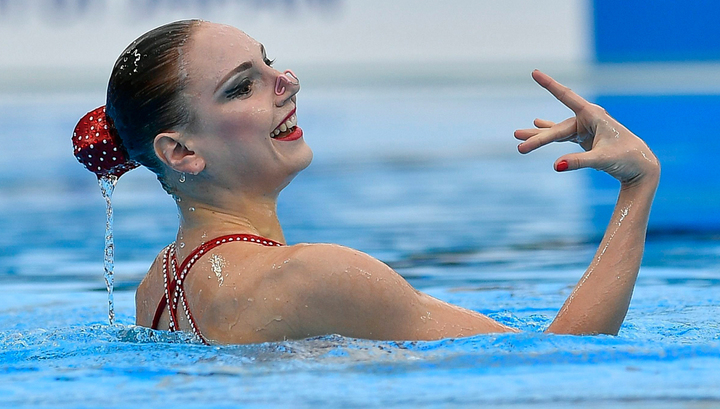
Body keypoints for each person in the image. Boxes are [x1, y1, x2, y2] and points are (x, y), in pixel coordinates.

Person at [74, 20, 660, 345]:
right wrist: (636, 184)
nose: (287, 81)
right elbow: (557, 359)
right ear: (181, 151)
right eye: (241, 86)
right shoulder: (316, 276)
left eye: (269, 61)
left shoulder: (159, 286)